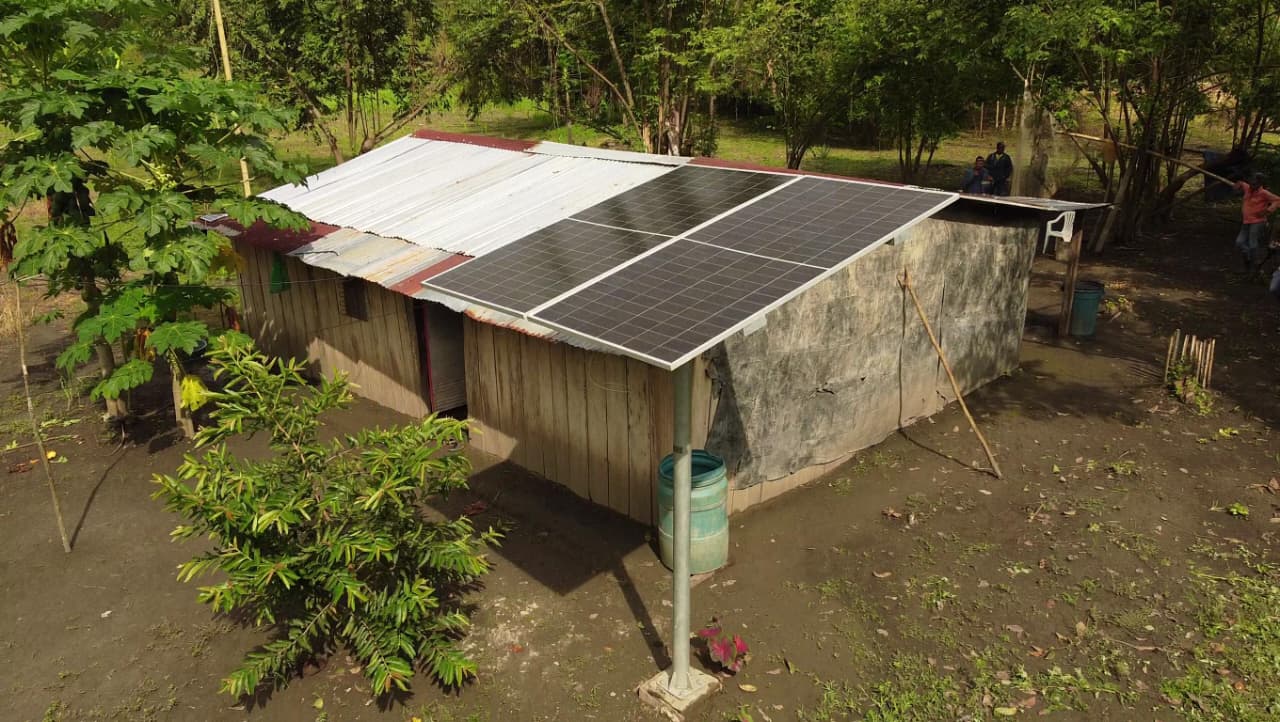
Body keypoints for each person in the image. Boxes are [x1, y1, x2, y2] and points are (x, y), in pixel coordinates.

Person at [1232, 172, 1280, 273]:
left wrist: (1267, 210)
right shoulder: (1248, 188)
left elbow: (1277, 200)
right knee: (1239, 242)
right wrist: (1238, 184)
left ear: (1259, 183)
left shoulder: (1264, 193)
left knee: (1253, 244)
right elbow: (1242, 183)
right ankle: (1251, 260)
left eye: (1254, 184)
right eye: (1251, 183)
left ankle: (1253, 267)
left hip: (1257, 222)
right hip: (1246, 222)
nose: (1252, 186)